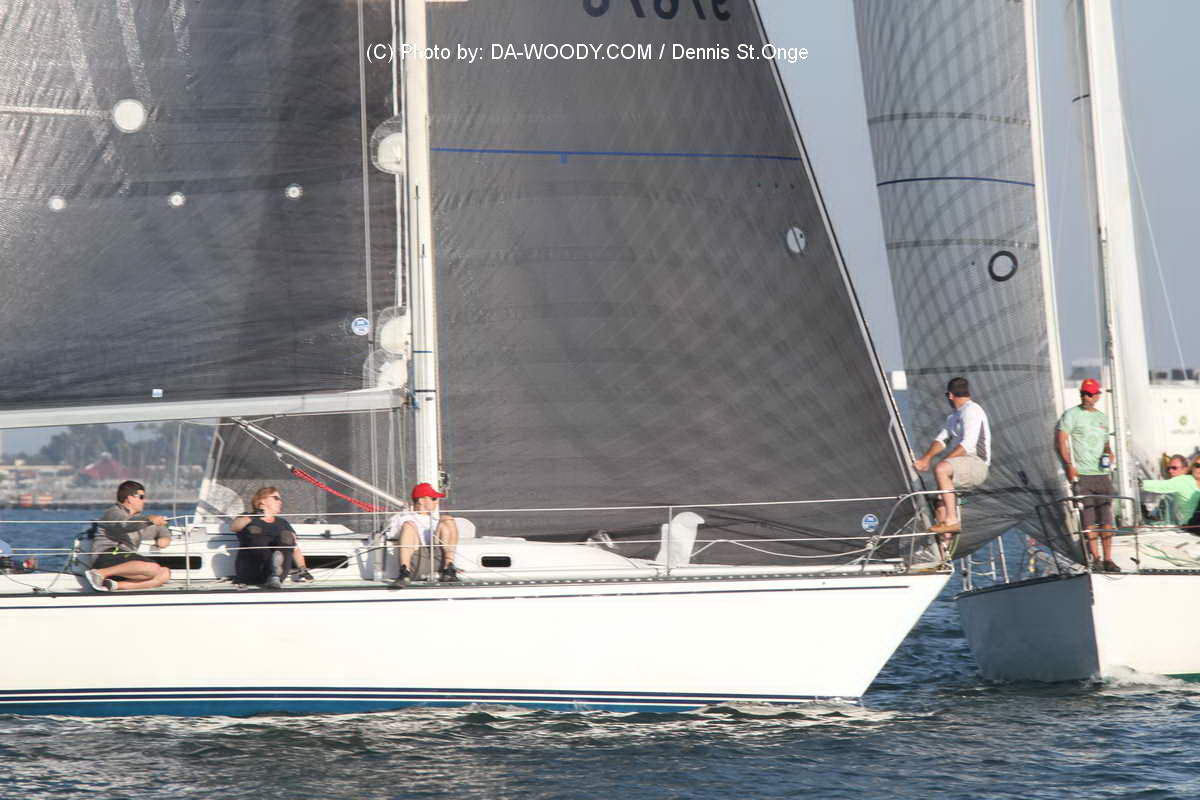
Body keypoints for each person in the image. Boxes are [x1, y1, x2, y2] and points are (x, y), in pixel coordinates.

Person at [913, 377, 991, 546]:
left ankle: (952, 520)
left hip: (977, 464)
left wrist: (944, 463)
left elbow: (968, 444)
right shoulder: (953, 417)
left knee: (941, 469)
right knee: (938, 498)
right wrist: (925, 459)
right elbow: (941, 440)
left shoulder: (972, 410)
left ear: (950, 395)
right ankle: (944, 546)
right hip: (962, 464)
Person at [1055, 378, 1119, 572]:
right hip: (1083, 475)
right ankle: (1096, 558)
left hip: (1102, 474)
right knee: (1088, 518)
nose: (1086, 397)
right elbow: (1061, 440)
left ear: (1097, 396)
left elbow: (1106, 443)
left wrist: (1109, 453)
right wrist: (1069, 465)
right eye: (1083, 393)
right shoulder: (1072, 415)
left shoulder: (1102, 418)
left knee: (1106, 519)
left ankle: (1108, 559)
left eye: (1090, 394)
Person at [84, 480, 172, 591]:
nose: (144, 501)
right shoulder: (113, 513)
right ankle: (99, 573)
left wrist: (165, 535)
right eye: (141, 497)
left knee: (164, 573)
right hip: (108, 555)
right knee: (152, 568)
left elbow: (156, 528)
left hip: (125, 561)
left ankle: (114, 585)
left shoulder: (139, 521)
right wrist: (149, 519)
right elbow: (125, 524)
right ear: (130, 498)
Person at [229, 487, 309, 589]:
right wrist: (254, 516)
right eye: (276, 498)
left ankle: (275, 573)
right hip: (253, 570)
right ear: (262, 500)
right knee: (254, 531)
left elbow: (295, 548)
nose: (280, 501)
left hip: (277, 578)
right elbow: (234, 527)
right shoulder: (248, 517)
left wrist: (302, 568)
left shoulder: (283, 523)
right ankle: (273, 568)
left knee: (286, 536)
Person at [387, 482, 460, 587]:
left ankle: (448, 568)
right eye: (433, 499)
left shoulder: (436, 520)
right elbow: (390, 536)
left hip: (437, 559)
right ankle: (405, 572)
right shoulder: (402, 518)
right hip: (417, 560)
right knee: (409, 525)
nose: (437, 502)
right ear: (421, 500)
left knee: (447, 519)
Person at [1141, 454, 1200, 529]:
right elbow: (1161, 485)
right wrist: (1139, 483)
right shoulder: (1184, 481)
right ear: (1192, 467)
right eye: (1197, 465)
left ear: (1185, 468)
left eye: (1174, 468)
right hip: (1190, 528)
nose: (1170, 471)